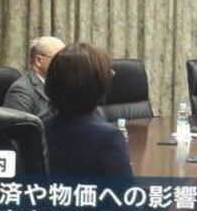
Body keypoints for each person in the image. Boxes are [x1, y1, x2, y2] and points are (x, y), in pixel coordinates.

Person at [44, 42, 132, 177]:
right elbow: (125, 190)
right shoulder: (108, 138)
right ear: (97, 84)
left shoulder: (39, 130)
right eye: (108, 73)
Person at [3, 36, 65, 118]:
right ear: (38, 60)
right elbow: (16, 125)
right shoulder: (22, 91)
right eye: (59, 58)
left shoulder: (61, 83)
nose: (65, 63)